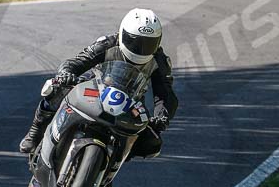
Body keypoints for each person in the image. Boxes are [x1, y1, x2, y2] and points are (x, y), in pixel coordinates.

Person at [19, 8, 178, 161]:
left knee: (151, 142)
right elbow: (76, 62)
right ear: (123, 34)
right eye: (134, 41)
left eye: (148, 43)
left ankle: (110, 163)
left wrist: (161, 117)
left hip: (130, 99)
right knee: (57, 87)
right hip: (94, 85)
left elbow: (166, 94)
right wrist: (65, 74)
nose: (141, 48)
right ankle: (36, 130)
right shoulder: (108, 43)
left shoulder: (159, 60)